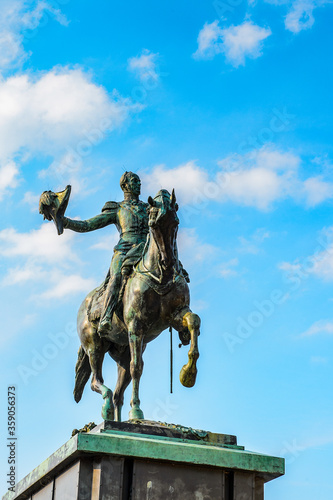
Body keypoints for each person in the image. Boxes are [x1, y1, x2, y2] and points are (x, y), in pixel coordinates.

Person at [62, 172, 149, 335]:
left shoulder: (149, 208)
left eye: (139, 181)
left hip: (147, 249)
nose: (139, 184)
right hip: (125, 250)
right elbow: (88, 225)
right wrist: (65, 222)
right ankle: (106, 317)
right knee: (116, 278)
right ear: (125, 185)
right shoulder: (118, 208)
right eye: (135, 181)